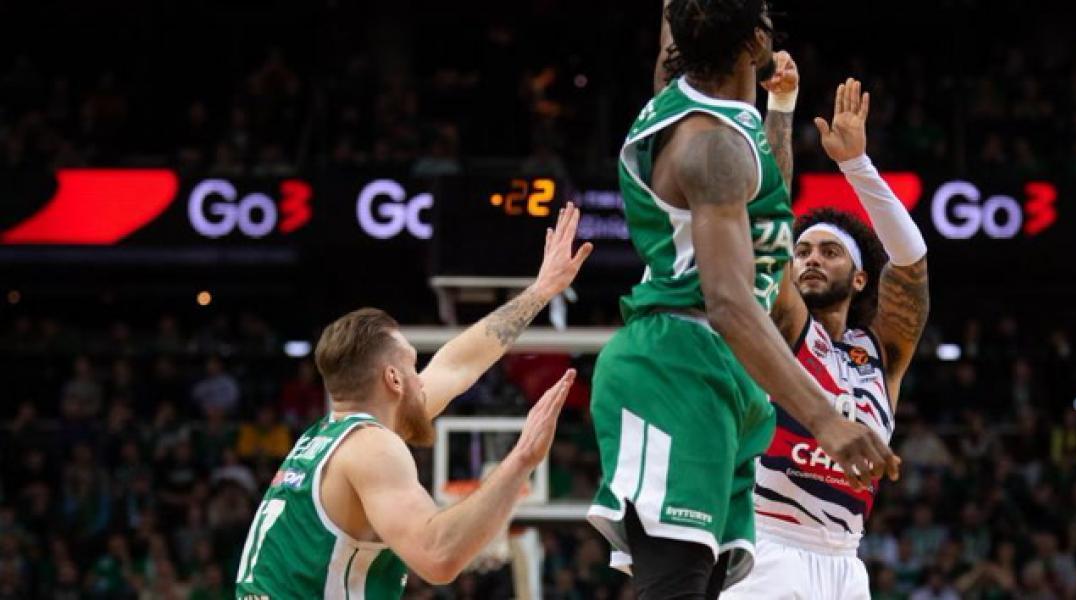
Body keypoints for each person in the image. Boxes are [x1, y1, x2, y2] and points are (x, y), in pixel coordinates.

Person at [586, 2, 899, 597]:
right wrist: (827, 421)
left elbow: (768, 218)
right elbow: (731, 305)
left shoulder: (709, 110)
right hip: (678, 363)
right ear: (757, 42)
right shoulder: (713, 149)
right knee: (673, 587)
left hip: (721, 379)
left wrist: (780, 109)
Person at [234, 205, 592, 598]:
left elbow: (458, 365)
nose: (423, 379)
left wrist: (540, 291)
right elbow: (438, 557)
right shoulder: (372, 449)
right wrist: (522, 459)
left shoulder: (328, 438)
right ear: (392, 379)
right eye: (412, 365)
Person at [723, 79, 930, 599]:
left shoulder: (879, 354)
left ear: (860, 279)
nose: (811, 258)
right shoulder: (786, 324)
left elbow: (911, 262)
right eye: (804, 251)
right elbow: (767, 221)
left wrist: (857, 165)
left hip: (845, 560)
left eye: (829, 252)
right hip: (768, 544)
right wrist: (782, 107)